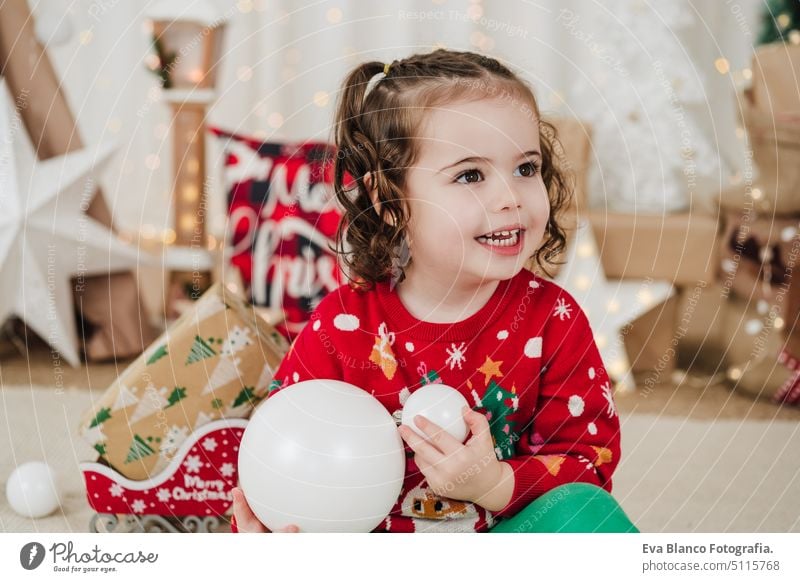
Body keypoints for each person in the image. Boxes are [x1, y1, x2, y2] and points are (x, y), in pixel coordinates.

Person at [232, 48, 636, 533]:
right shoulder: (341, 326)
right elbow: (283, 449)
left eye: (526, 168)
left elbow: (588, 465)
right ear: (390, 201)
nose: (510, 197)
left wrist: (492, 484)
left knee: (589, 516)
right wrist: (265, 531)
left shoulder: (554, 320)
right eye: (470, 175)